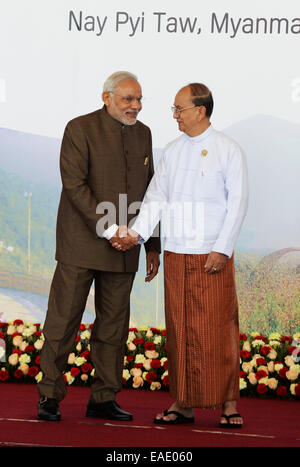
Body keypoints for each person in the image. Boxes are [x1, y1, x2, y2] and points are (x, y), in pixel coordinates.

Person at [111, 83, 248, 428]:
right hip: (176, 253)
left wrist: (222, 248)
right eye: (173, 110)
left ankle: (229, 404)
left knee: (220, 329)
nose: (175, 116)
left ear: (200, 110)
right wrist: (137, 234)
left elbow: (238, 204)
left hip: (212, 254)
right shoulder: (171, 151)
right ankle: (183, 403)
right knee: (180, 329)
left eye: (179, 109)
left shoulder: (228, 149)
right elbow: (156, 198)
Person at [37, 71, 160, 422]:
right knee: (62, 323)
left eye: (139, 100)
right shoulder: (79, 129)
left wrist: (152, 243)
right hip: (82, 244)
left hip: (127, 249)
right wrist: (110, 230)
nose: (135, 106)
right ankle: (49, 396)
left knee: (114, 328)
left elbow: (151, 192)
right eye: (127, 99)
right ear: (106, 97)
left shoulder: (145, 134)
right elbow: (74, 186)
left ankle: (103, 398)